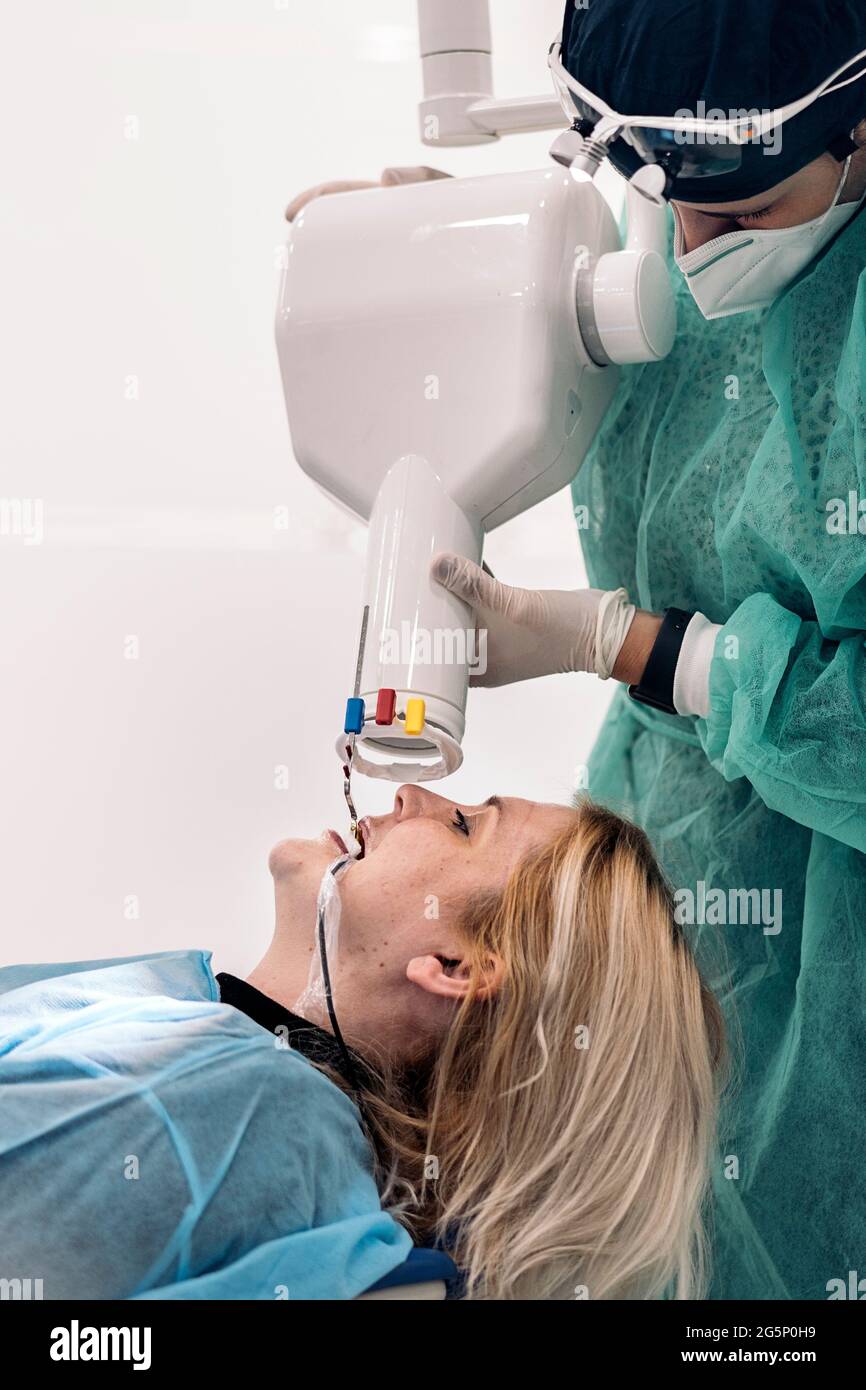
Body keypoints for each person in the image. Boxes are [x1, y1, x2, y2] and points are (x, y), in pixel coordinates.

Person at [285, 0, 866, 1300]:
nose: (691, 246)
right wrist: (443, 271)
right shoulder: (666, 192)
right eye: (664, 202)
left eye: (743, 211)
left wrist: (627, 643)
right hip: (669, 814)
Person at [0, 790, 724, 1300]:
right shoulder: (191, 1019)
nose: (412, 794)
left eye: (465, 825)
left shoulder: (258, 1115)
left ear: (456, 968)